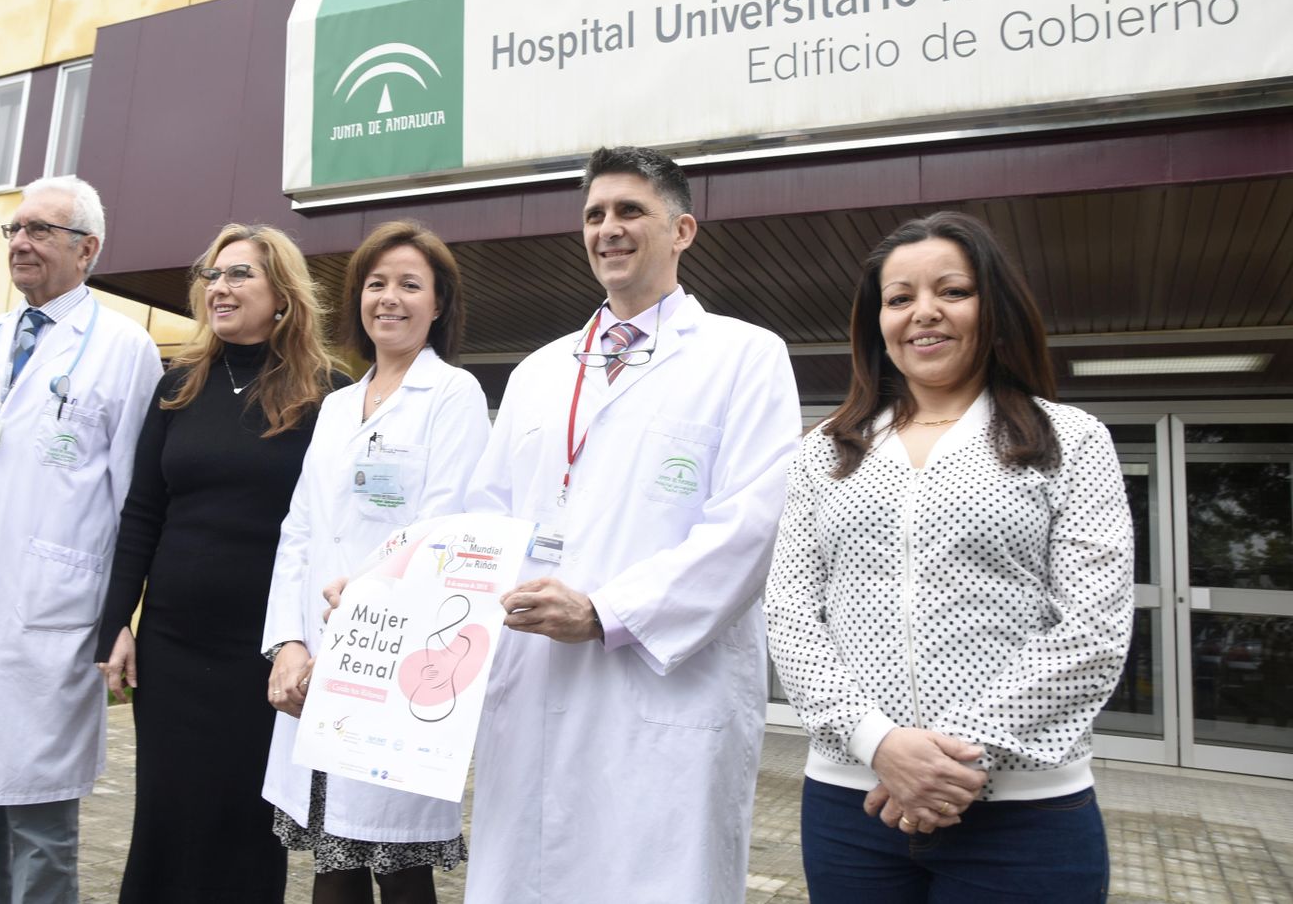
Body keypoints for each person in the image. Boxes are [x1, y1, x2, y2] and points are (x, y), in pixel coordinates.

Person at [458, 147, 800, 903]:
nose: (608, 229)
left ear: (682, 230)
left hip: (664, 694)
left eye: (629, 211)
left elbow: (749, 527)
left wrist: (604, 612)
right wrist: (405, 588)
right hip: (536, 680)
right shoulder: (539, 372)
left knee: (653, 877)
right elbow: (487, 518)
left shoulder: (745, 358)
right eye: (594, 215)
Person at [765, 211, 1134, 902]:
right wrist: (879, 744)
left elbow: (1093, 629)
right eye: (899, 298)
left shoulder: (1070, 440)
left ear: (992, 306)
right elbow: (789, 613)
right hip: (852, 806)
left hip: (1025, 816)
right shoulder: (826, 451)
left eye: (951, 291)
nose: (922, 313)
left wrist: (951, 764)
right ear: (877, 321)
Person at [0, 176, 163, 904]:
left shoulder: (125, 349)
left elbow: (136, 499)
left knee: (40, 824)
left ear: (86, 249)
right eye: (15, 229)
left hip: (51, 615)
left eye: (40, 231)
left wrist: (121, 616)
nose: (20, 242)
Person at [94, 223, 343, 903]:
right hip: (173, 647)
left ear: (282, 295)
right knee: (167, 819)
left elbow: (336, 523)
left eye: (239, 275)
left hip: (265, 655)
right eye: (213, 275)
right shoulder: (178, 385)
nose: (220, 287)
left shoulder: (328, 393)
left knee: (243, 826)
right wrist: (116, 621)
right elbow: (142, 512)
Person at [263, 221, 489, 904]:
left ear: (439, 303)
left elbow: (447, 532)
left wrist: (363, 603)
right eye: (376, 283)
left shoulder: (454, 396)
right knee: (332, 860)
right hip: (320, 659)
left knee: (397, 863)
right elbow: (299, 529)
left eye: (410, 285)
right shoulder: (334, 406)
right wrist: (290, 644)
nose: (389, 298)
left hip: (394, 662)